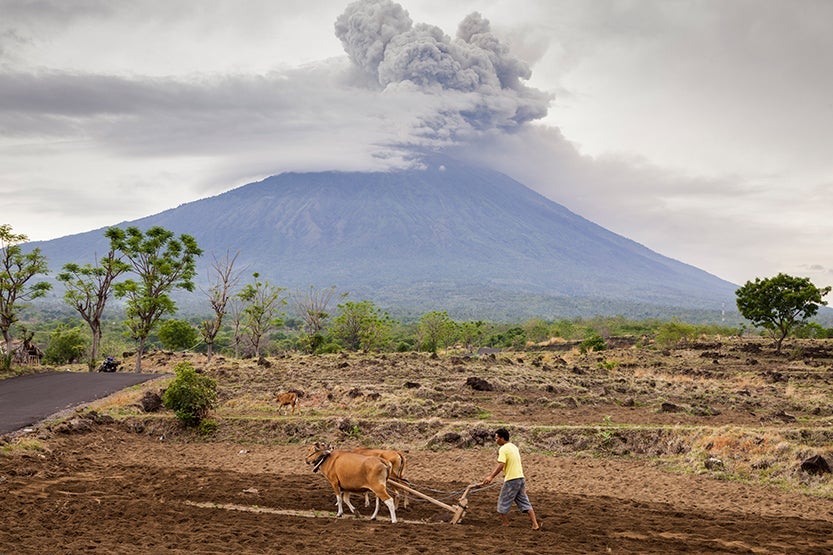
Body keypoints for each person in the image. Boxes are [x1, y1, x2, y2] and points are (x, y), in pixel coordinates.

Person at [481, 427, 540, 530]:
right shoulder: (514, 447)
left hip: (512, 480)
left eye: (496, 438)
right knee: (524, 502)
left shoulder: (503, 449)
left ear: (502, 438)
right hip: (520, 478)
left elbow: (501, 465)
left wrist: (491, 476)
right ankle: (535, 524)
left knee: (502, 502)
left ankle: (505, 524)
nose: (496, 440)